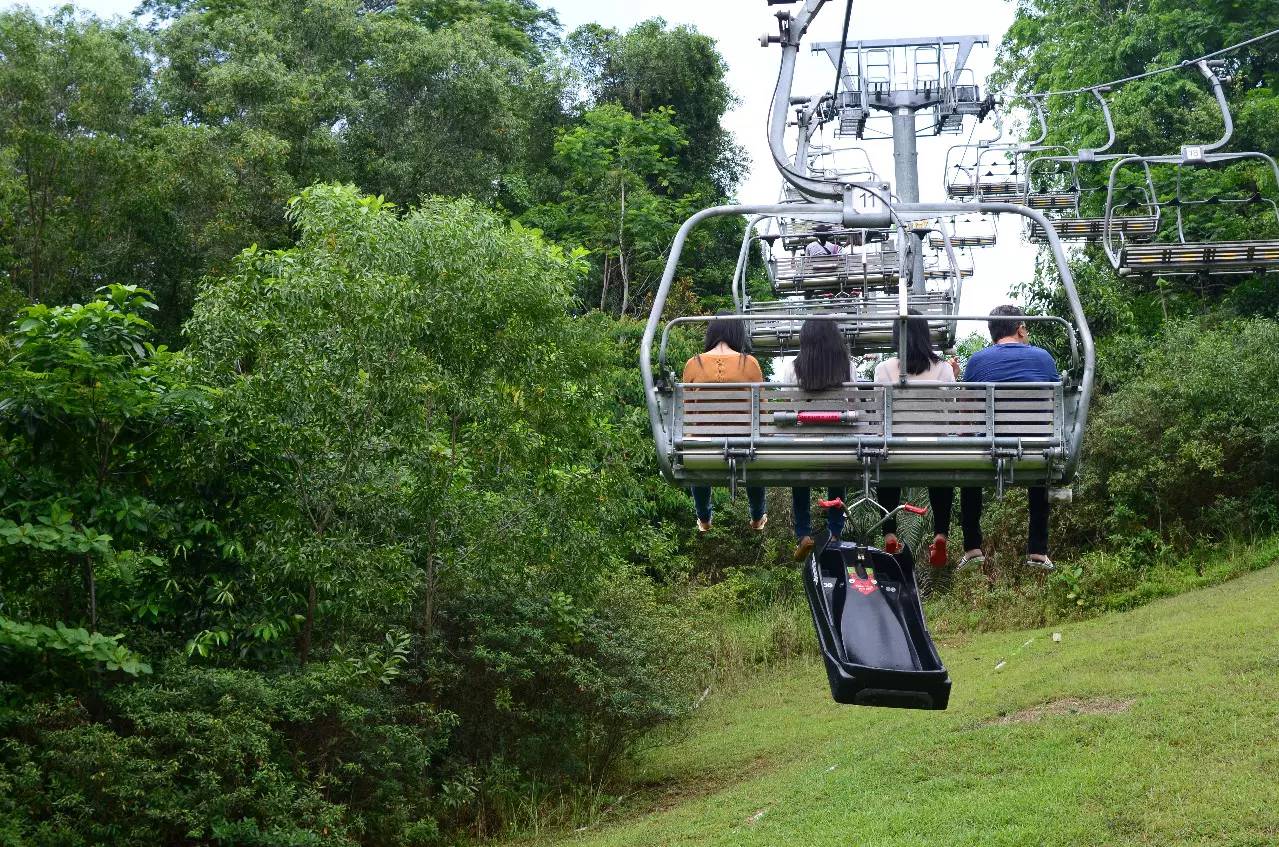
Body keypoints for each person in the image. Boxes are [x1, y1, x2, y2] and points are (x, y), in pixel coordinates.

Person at [960, 304, 1061, 570]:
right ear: (1019, 329)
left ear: (993, 334)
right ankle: (1037, 551)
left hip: (988, 447)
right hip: (1035, 446)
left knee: (969, 467)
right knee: (1042, 465)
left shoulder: (977, 362)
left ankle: (972, 547)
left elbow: (967, 407)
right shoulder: (1044, 358)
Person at [873, 310, 961, 567]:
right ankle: (941, 534)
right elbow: (952, 408)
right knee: (941, 471)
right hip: (934, 449)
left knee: (886, 470)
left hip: (896, 447)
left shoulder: (883, 368)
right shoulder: (943, 368)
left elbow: (879, 411)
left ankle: (889, 533)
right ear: (926, 335)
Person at [775, 319, 856, 560]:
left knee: (800, 477)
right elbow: (853, 400)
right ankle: (834, 531)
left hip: (804, 441)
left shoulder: (792, 368)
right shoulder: (847, 366)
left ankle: (803, 534)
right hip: (837, 441)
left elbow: (788, 403)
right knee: (837, 475)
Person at [683, 316, 768, 533]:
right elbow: (763, 410)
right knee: (755, 454)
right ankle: (757, 516)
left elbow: (687, 410)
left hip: (705, 443)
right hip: (744, 441)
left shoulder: (693, 364)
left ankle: (704, 518)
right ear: (737, 333)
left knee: (697, 453)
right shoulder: (749, 363)